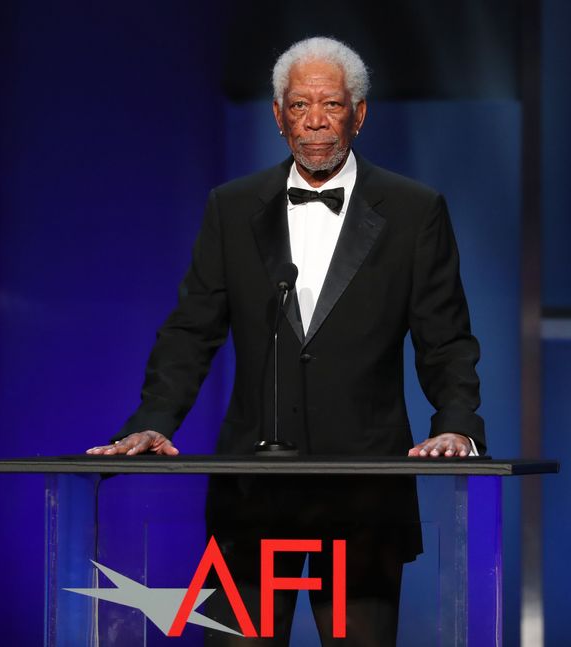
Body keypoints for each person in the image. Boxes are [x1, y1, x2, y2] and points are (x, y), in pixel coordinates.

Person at [87, 36, 484, 645]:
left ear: (360, 113)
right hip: (253, 495)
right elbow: (192, 330)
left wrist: (456, 424)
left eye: (331, 104)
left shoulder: (413, 210)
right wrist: (154, 420)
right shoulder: (233, 207)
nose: (315, 122)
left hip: (363, 494)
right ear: (277, 116)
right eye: (300, 106)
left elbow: (445, 337)